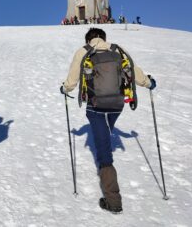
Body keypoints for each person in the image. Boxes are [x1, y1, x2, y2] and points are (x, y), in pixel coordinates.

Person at [60, 27, 156, 213]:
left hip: (95, 106)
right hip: (116, 104)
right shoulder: (117, 49)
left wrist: (65, 89)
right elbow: (134, 71)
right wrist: (149, 83)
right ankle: (104, 139)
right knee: (106, 131)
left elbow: (72, 80)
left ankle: (113, 201)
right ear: (104, 38)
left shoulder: (83, 51)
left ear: (88, 40)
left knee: (104, 153)